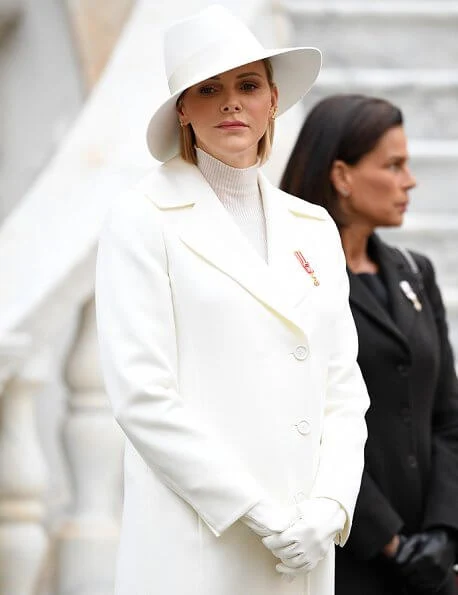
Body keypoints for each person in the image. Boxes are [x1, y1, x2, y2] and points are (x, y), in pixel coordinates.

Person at [95, 8, 369, 595]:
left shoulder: (314, 226)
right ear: (182, 111)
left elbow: (344, 388)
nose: (230, 103)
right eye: (208, 90)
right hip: (198, 543)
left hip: (304, 544)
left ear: (272, 100)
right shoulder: (141, 218)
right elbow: (143, 397)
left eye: (247, 86)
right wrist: (256, 511)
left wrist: (331, 507)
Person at [280, 93, 458, 595]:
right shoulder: (293, 282)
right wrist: (391, 543)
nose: (410, 181)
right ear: (341, 176)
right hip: (347, 558)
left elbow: (448, 415)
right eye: (394, 165)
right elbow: (304, 426)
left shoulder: (414, 273)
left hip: (431, 563)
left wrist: (445, 533)